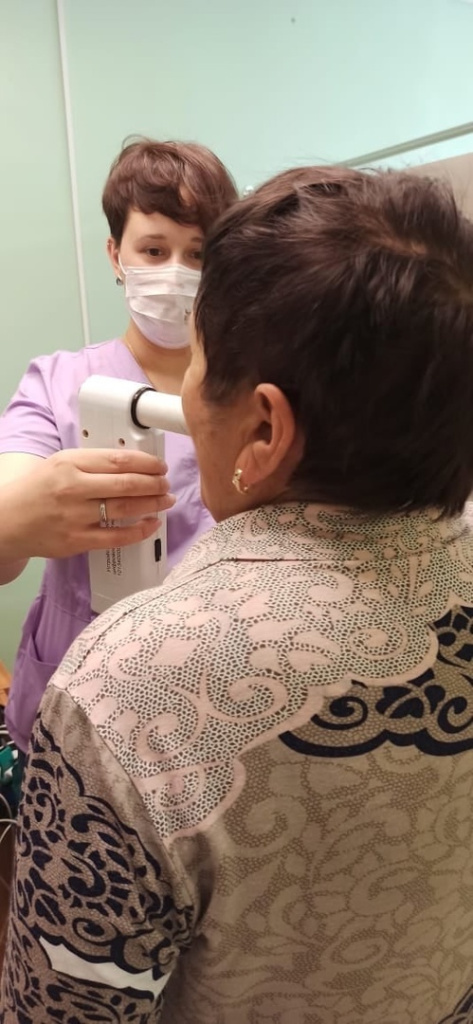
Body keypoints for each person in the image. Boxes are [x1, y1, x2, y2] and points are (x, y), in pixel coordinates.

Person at [3, 165, 473, 1024]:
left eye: (201, 360)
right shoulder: (63, 379)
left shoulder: (125, 691)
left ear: (262, 428)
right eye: (153, 249)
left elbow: (64, 1006)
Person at [0, 138, 237, 757]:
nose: (176, 272)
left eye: (199, 253)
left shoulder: (256, 394)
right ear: (116, 254)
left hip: (216, 699)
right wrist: (20, 517)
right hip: (79, 698)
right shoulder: (59, 382)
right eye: (154, 250)